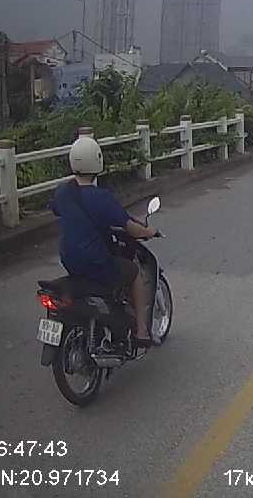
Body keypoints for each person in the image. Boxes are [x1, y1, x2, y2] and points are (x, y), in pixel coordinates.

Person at [53, 136, 157, 347]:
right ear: (97, 161)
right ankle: (141, 331)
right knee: (134, 273)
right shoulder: (102, 197)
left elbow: (57, 210)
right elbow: (129, 226)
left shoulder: (62, 192)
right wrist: (148, 231)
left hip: (70, 261)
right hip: (96, 263)